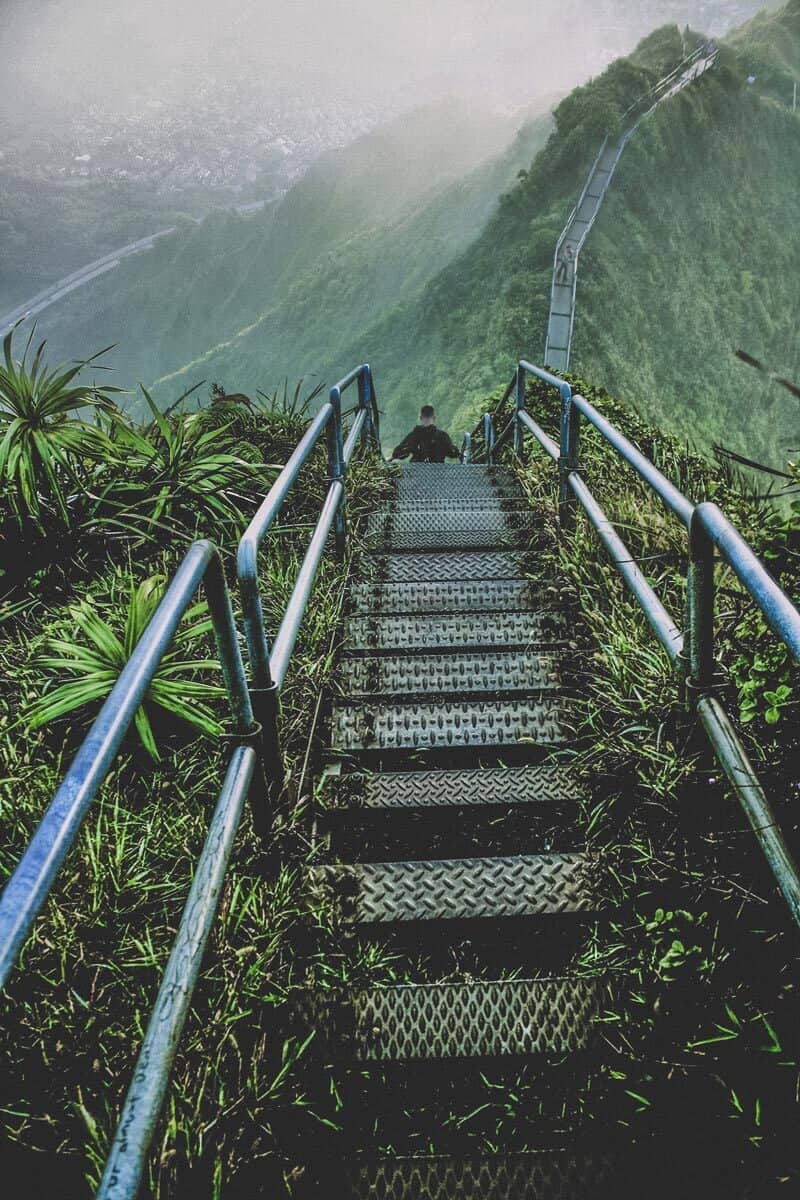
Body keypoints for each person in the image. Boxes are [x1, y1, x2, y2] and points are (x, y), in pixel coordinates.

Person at [392, 404, 459, 463]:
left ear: (421, 418)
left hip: (418, 473)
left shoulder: (415, 435)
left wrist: (410, 448)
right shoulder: (442, 435)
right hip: (437, 474)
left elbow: (396, 453)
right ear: (434, 418)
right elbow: (453, 454)